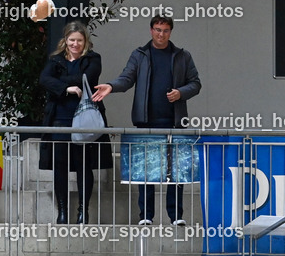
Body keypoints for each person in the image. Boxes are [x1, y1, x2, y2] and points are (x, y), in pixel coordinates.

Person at [92, 16, 201, 225]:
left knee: (175, 172)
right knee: (145, 172)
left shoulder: (182, 56)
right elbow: (127, 78)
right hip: (146, 122)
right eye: (158, 30)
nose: (161, 34)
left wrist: (181, 92)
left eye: (166, 30)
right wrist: (110, 86)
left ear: (171, 32)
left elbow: (195, 84)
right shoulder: (140, 54)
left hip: (175, 123)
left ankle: (176, 216)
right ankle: (146, 216)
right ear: (151, 30)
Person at [39, 21, 112, 224]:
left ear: (85, 41)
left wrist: (61, 82)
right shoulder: (55, 60)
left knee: (83, 166)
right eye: (72, 40)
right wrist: (67, 88)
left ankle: (83, 211)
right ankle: (62, 212)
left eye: (79, 40)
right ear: (66, 40)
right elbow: (44, 79)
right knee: (60, 167)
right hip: (59, 120)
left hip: (84, 120)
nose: (75, 44)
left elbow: (87, 78)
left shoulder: (93, 58)